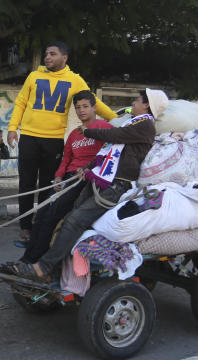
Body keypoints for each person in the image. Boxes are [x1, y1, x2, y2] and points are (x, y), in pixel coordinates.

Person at [11, 89, 168, 282]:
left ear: (147, 105)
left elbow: (113, 136)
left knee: (73, 221)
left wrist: (88, 132)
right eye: (78, 108)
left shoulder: (144, 125)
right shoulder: (133, 123)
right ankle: (46, 265)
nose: (133, 103)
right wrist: (87, 168)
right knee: (61, 218)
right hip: (98, 179)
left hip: (116, 185)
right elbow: (108, 152)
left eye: (137, 100)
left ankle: (44, 267)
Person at [7, 42, 119, 244]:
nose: (47, 57)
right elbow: (21, 102)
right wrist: (12, 128)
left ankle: (40, 224)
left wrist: (116, 119)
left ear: (64, 58)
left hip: (54, 140)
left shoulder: (75, 80)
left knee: (48, 186)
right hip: (29, 137)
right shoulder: (34, 76)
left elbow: (94, 102)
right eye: (46, 54)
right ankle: (25, 227)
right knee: (26, 184)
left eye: (52, 54)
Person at [18, 91, 112, 265]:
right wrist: (59, 177)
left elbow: (109, 154)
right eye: (77, 108)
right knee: (41, 214)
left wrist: (89, 170)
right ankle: (25, 259)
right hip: (68, 179)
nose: (81, 111)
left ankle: (34, 261)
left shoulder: (104, 128)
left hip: (86, 179)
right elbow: (66, 159)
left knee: (51, 216)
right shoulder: (74, 134)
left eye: (85, 106)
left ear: (94, 107)